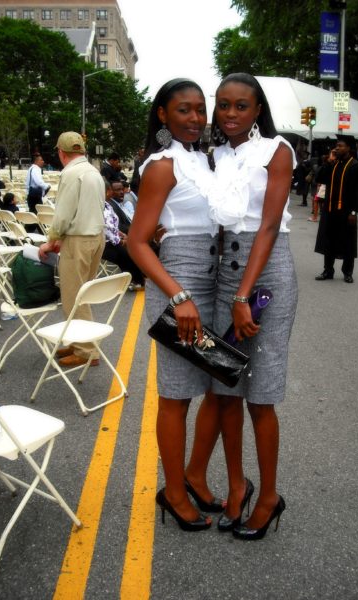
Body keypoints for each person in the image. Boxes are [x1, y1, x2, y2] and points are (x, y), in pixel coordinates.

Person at [186, 73, 298, 541]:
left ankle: (269, 496)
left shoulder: (277, 150)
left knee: (261, 397)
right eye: (223, 105)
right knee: (224, 389)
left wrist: (241, 297)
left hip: (265, 278)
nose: (230, 114)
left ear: (257, 110)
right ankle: (237, 487)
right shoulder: (214, 157)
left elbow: (269, 227)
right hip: (224, 277)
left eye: (241, 106)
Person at [127, 79, 219, 532]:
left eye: (201, 109)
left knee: (221, 387)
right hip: (178, 288)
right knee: (178, 394)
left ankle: (196, 474)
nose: (196, 118)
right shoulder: (162, 165)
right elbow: (137, 242)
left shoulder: (204, 160)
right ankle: (174, 491)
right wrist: (178, 297)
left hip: (213, 280)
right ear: (162, 115)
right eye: (184, 110)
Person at [38, 131, 105, 367]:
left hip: (78, 240)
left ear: (61, 152)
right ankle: (80, 343)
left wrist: (51, 241)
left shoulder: (70, 173)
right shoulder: (93, 171)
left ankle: (87, 350)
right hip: (96, 237)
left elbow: (63, 215)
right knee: (82, 294)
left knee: (74, 297)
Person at [314, 136, 358, 283]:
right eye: (336, 146)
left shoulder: (355, 166)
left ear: (349, 148)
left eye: (341, 146)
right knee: (329, 241)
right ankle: (328, 271)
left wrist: (353, 212)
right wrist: (328, 161)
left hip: (346, 212)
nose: (337, 148)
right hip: (330, 210)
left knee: (348, 242)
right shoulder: (333, 164)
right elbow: (319, 178)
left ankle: (347, 272)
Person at [102, 180, 145, 287]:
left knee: (131, 248)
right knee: (127, 252)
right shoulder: (97, 206)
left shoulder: (107, 204)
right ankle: (137, 281)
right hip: (104, 244)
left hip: (114, 240)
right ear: (107, 191)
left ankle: (139, 277)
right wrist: (121, 240)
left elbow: (114, 225)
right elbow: (105, 228)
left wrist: (123, 235)